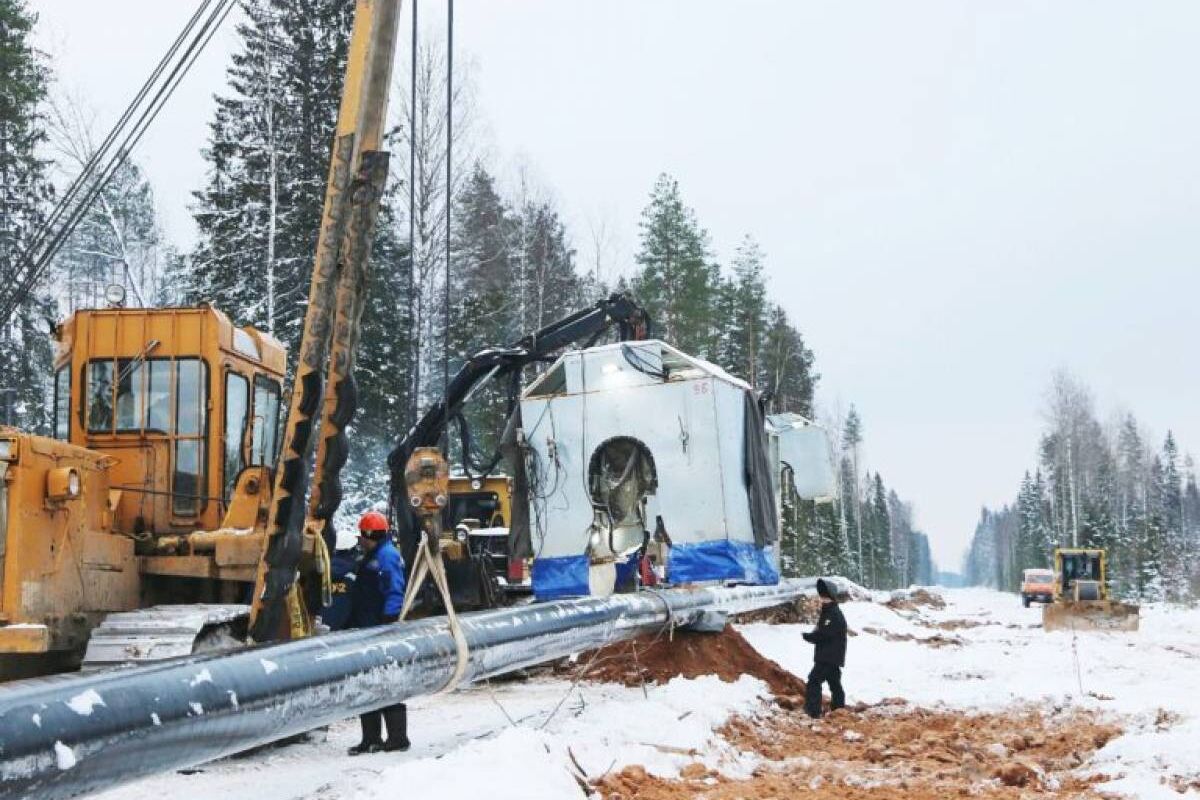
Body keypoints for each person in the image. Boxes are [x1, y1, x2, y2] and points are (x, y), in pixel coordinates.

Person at [347, 510, 411, 755]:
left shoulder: (386, 556)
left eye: (361, 535)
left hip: (380, 627)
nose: (359, 540)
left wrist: (389, 619)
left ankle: (397, 737)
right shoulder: (373, 555)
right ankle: (371, 738)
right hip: (367, 626)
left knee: (386, 681)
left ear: (369, 534)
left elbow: (395, 588)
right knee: (368, 682)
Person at [802, 578, 847, 718]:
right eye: (822, 596)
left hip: (828, 656)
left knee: (814, 680)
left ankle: (813, 711)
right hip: (831, 656)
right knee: (834, 682)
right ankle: (839, 708)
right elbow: (824, 631)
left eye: (825, 597)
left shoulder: (833, 614)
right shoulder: (829, 612)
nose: (822, 599)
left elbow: (825, 634)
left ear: (831, 598)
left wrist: (809, 637)